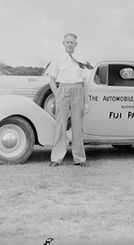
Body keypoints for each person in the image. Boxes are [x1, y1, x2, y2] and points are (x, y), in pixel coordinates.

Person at [47, 33, 93, 167]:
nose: (70, 44)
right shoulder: (57, 59)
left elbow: (85, 82)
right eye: (67, 42)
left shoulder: (81, 59)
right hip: (63, 90)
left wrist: (86, 102)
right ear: (63, 43)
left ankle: (79, 158)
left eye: (72, 42)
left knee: (77, 125)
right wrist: (57, 95)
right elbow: (51, 80)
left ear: (76, 44)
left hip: (78, 89)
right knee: (60, 125)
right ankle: (56, 158)